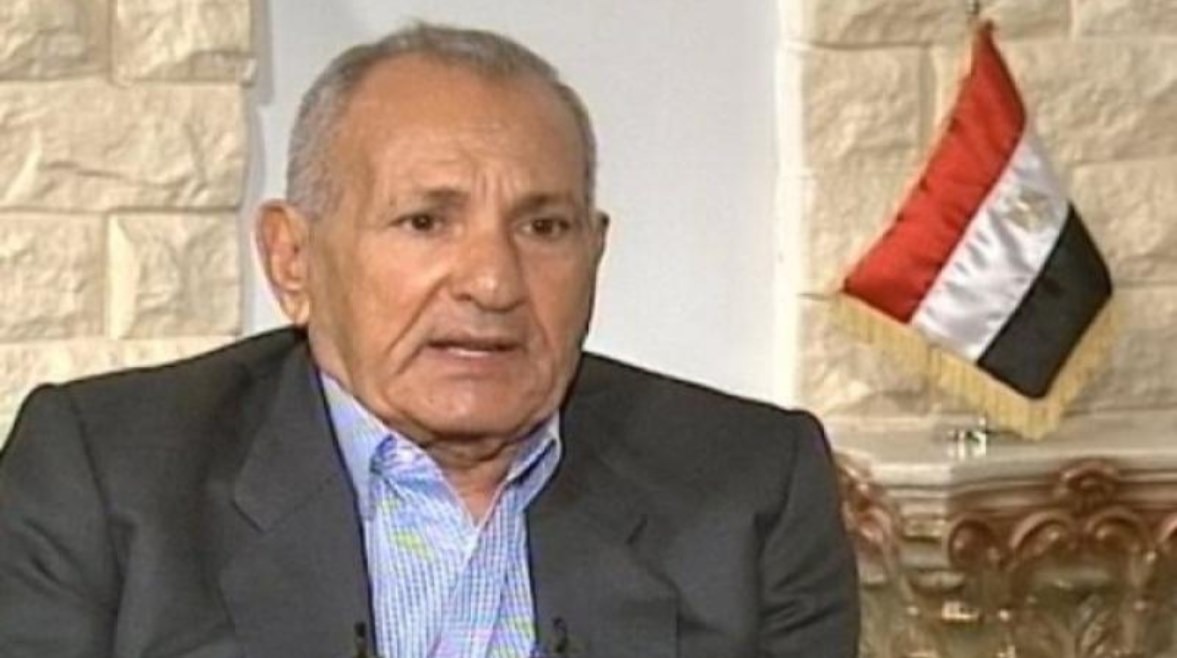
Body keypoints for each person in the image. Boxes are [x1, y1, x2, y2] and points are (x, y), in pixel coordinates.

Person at [0, 22, 858, 658]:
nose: (492, 282)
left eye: (543, 227)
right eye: (424, 221)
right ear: (293, 259)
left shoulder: (751, 484)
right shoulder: (104, 478)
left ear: (595, 252)